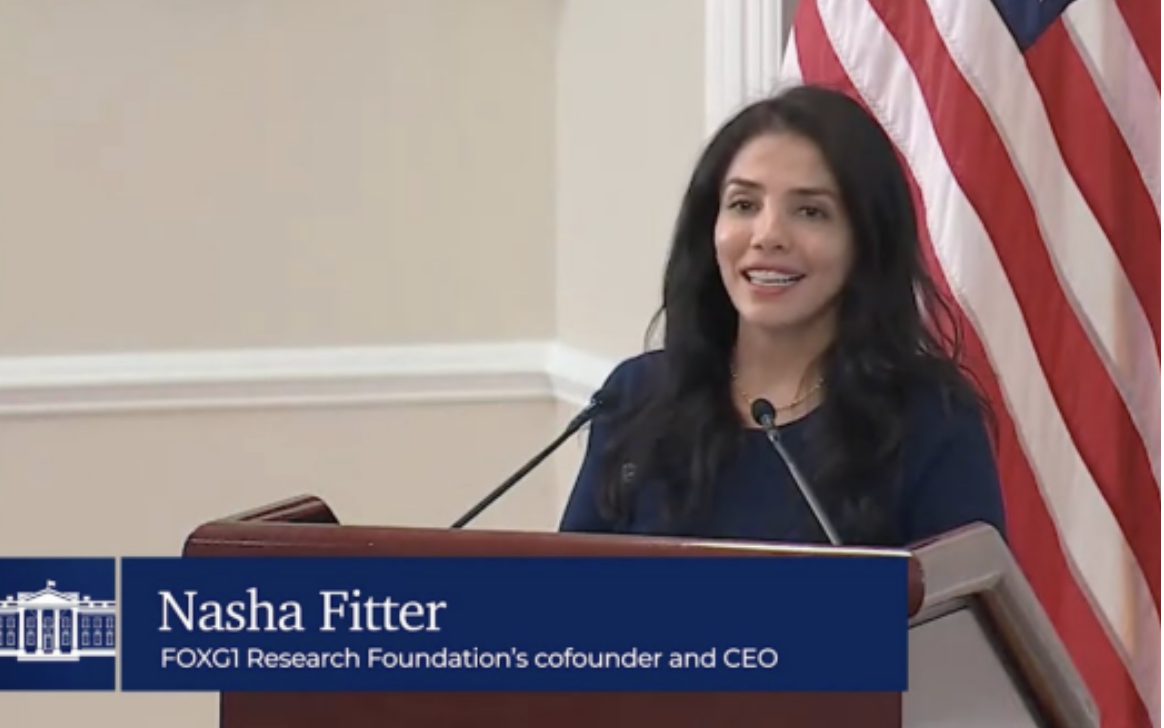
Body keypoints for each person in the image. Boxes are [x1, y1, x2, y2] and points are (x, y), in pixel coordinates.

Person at [558, 84, 1007, 547]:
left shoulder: (932, 421)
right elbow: (565, 600)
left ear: (866, 241)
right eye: (743, 205)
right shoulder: (635, 397)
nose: (768, 235)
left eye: (811, 211)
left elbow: (960, 611)